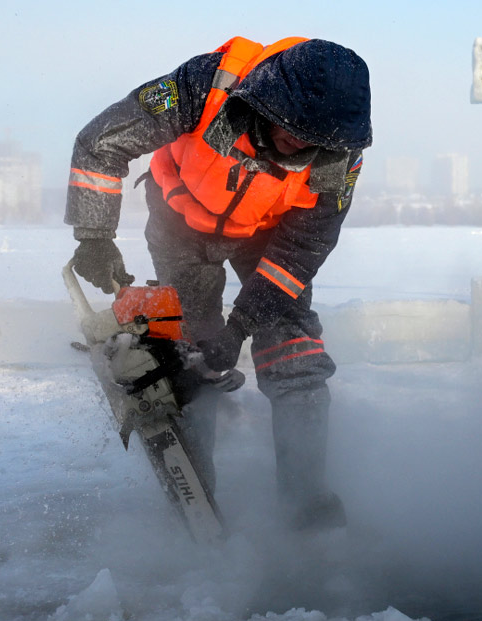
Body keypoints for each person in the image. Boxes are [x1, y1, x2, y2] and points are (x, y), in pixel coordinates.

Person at [66, 36, 372, 529]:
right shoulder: (202, 87)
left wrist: (244, 325)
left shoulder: (341, 156)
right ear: (265, 104)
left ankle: (307, 504)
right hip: (181, 221)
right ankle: (197, 498)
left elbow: (300, 254)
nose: (300, 145)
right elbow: (102, 141)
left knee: (295, 353)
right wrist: (95, 236)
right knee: (192, 351)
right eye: (291, 130)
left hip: (270, 236)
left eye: (313, 140)